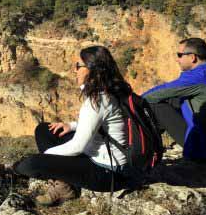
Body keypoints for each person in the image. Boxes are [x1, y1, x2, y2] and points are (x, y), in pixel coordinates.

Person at [13, 45, 131, 206]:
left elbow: (77, 147)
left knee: (31, 165)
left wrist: (46, 157)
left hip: (106, 173)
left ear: (92, 69)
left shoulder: (98, 100)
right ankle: (65, 184)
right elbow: (104, 122)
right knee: (44, 130)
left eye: (78, 66)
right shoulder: (114, 89)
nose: (74, 70)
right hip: (112, 161)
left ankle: (65, 187)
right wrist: (72, 125)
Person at [142, 37, 206, 161]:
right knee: (174, 100)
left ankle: (145, 152)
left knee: (154, 106)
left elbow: (160, 92)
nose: (177, 59)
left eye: (180, 55)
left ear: (192, 57)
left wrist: (135, 101)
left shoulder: (198, 77)